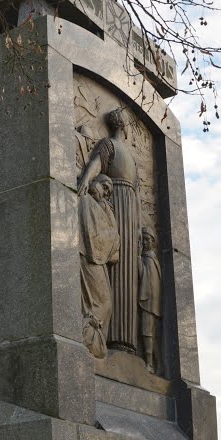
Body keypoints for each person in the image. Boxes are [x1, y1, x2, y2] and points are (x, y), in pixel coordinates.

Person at [78, 108, 141, 353]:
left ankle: (127, 343)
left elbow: (135, 192)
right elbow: (96, 164)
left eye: (122, 117)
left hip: (128, 213)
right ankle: (109, 337)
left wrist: (135, 228)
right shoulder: (108, 145)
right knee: (113, 275)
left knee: (127, 273)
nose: (120, 117)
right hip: (114, 209)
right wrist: (85, 178)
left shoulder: (132, 158)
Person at [78, 175, 119, 358]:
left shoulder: (99, 207)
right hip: (89, 257)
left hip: (98, 258)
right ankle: (89, 341)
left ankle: (94, 340)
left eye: (109, 191)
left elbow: (112, 238)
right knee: (102, 303)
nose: (106, 192)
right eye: (104, 186)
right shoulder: (85, 199)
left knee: (106, 304)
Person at [138, 225, 162, 373]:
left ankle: (150, 364)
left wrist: (136, 258)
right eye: (144, 240)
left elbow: (143, 276)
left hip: (149, 303)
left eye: (147, 240)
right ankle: (156, 364)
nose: (145, 243)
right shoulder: (151, 258)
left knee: (147, 332)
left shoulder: (149, 259)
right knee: (150, 333)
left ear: (153, 241)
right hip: (151, 303)